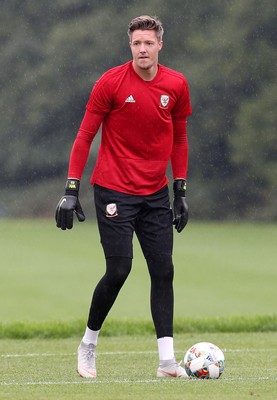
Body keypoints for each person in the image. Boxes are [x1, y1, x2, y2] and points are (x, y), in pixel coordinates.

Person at [55, 15, 192, 379]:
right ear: (129, 46)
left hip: (155, 192)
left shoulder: (176, 84)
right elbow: (84, 136)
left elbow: (179, 139)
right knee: (119, 269)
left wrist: (179, 189)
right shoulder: (110, 83)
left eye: (148, 43)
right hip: (114, 188)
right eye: (136, 43)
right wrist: (71, 189)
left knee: (164, 270)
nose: (142, 49)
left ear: (160, 44)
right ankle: (88, 344)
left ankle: (167, 362)